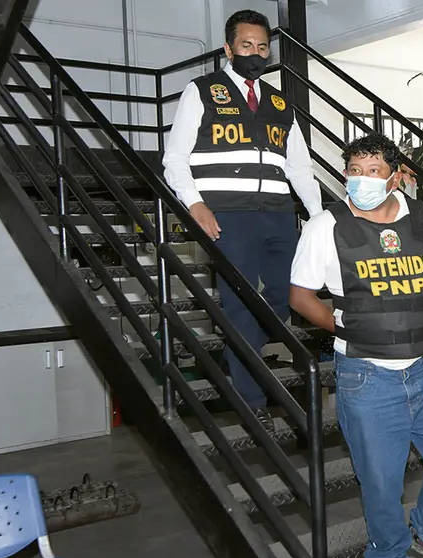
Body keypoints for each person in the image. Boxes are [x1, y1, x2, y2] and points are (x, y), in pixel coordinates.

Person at [289, 133, 423, 558]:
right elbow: (300, 296)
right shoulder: (325, 227)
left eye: (372, 172)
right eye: (353, 171)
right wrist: (346, 325)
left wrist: (411, 310)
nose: (361, 180)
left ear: (394, 178)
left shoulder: (421, 217)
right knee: (381, 483)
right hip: (366, 375)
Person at [162, 10, 322, 433]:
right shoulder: (202, 91)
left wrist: (320, 218)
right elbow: (175, 158)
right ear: (229, 48)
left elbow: (300, 169)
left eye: (263, 47)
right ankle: (253, 401)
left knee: (289, 297)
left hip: (278, 214)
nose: (256, 53)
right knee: (237, 304)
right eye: (247, 46)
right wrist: (195, 204)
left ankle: (244, 355)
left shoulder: (279, 104)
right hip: (227, 215)